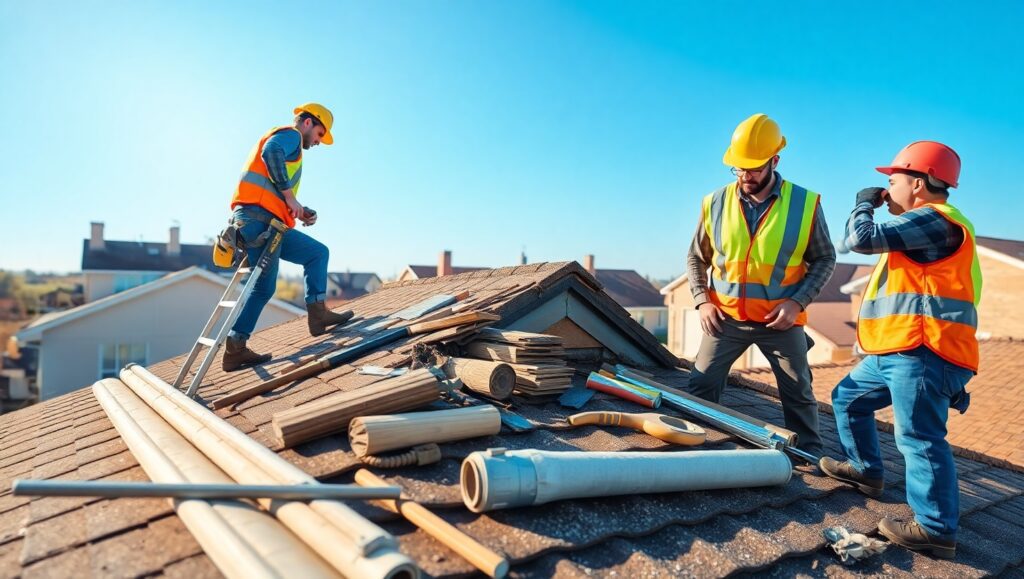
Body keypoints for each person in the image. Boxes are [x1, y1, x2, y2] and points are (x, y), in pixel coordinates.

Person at [819, 141, 979, 559]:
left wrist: (863, 204)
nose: (886, 189)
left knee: (919, 438)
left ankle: (935, 529)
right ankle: (865, 470)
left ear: (920, 184)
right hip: (899, 349)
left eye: (894, 180)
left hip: (922, 351)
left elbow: (859, 239)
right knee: (848, 399)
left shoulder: (934, 220)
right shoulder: (925, 225)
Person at [685, 113, 836, 457]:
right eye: (738, 168)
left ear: (774, 161)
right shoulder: (714, 203)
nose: (745, 176)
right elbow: (695, 257)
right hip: (725, 319)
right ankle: (696, 450)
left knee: (798, 393)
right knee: (701, 384)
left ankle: (808, 456)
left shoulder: (805, 204)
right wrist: (702, 301)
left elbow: (825, 258)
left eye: (753, 168)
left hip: (780, 322)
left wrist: (797, 302)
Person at [222, 103, 353, 372]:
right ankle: (235, 347)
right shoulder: (290, 135)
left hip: (269, 223)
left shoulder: (291, 146)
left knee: (317, 253)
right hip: (259, 222)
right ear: (308, 123)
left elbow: (272, 190)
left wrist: (300, 211)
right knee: (263, 288)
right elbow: (271, 152)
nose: (318, 142)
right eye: (319, 134)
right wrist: (291, 199)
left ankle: (318, 314)